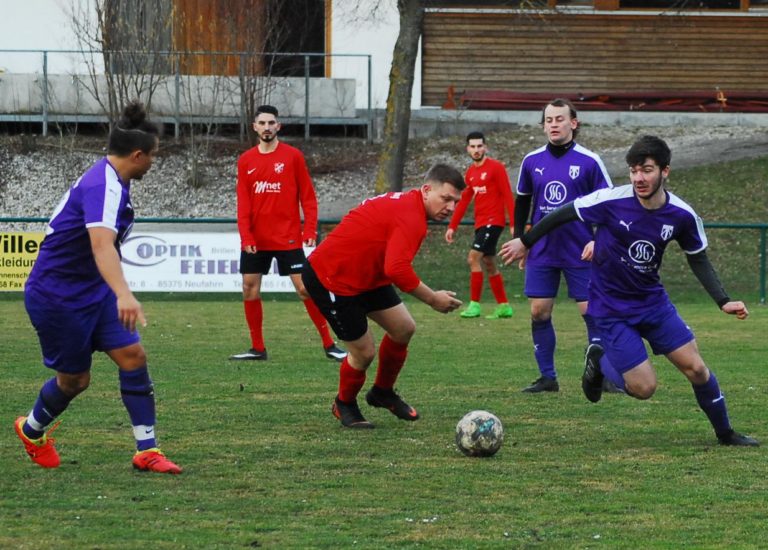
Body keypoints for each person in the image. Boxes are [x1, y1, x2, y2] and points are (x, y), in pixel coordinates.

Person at [501, 135, 758, 446]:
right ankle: (600, 362)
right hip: (610, 309)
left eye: (647, 170)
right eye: (634, 170)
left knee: (697, 368)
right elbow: (563, 212)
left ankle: (726, 434)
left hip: (653, 304)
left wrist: (723, 301)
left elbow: (698, 258)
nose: (638, 178)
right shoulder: (611, 200)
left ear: (665, 171)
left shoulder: (681, 215)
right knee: (644, 388)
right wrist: (524, 241)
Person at [15, 102, 183, 473]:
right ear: (137, 155)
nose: (154, 162)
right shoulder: (102, 185)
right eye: (153, 156)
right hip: (57, 296)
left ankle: (147, 450)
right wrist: (124, 293)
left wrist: (113, 291)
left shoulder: (115, 181)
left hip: (93, 291)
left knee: (133, 356)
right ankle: (31, 429)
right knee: (75, 381)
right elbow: (101, 244)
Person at [302, 164, 465, 429]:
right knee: (364, 353)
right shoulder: (411, 217)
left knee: (403, 329)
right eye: (445, 198)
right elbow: (397, 270)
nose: (450, 207)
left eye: (455, 202)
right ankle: (344, 403)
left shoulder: (410, 205)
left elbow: (388, 261)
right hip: (333, 278)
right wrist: (433, 299)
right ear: (426, 190)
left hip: (368, 276)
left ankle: (382, 392)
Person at [229, 104, 346, 362]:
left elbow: (308, 196)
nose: (267, 127)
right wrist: (246, 237)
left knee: (305, 288)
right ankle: (257, 348)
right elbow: (243, 203)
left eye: (272, 123)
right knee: (249, 289)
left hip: (287, 237)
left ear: (278, 126)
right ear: (255, 127)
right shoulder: (246, 160)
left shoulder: (292, 156)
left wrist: (310, 228)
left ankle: (330, 344)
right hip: (256, 240)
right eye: (262, 123)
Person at [514, 98, 614, 393]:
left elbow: (610, 205)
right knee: (538, 312)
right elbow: (522, 201)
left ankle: (603, 375)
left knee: (591, 312)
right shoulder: (531, 161)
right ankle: (548, 377)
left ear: (574, 123)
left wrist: (599, 240)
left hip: (580, 248)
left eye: (559, 119)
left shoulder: (590, 161)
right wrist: (522, 239)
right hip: (543, 249)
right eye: (548, 120)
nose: (553, 124)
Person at [445, 131, 515, 320]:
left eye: (479, 146)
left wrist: (513, 223)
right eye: (473, 147)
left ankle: (474, 305)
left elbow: (508, 194)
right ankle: (504, 306)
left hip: (494, 222)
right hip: (481, 223)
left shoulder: (496, 168)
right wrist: (452, 226)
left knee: (473, 258)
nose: (476, 150)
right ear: (468, 149)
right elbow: (464, 200)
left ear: (485, 147)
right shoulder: (470, 173)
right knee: (489, 262)